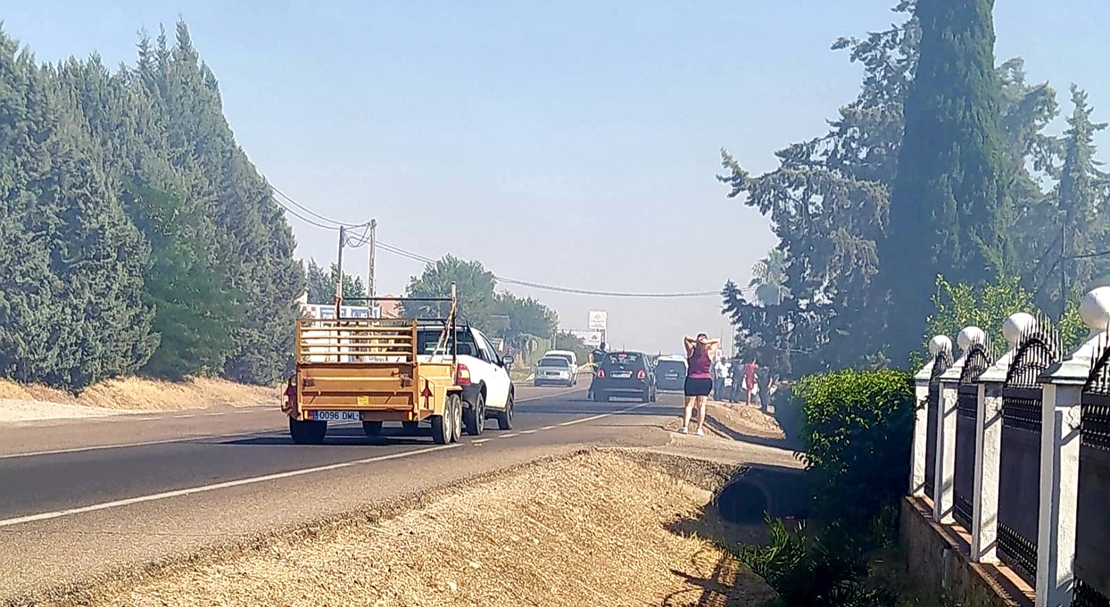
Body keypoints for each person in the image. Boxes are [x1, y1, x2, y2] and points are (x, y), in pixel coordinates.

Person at [681, 333, 719, 435]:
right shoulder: (709, 352)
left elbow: (685, 339)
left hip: (692, 380)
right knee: (701, 406)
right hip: (705, 380)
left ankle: (685, 427)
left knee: (689, 405)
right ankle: (699, 429)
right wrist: (706, 342)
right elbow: (717, 341)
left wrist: (696, 341)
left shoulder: (691, 351)